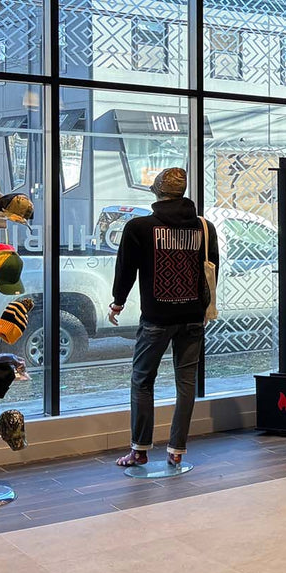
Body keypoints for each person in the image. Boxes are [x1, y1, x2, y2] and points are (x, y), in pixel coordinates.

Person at [110, 168, 219, 468]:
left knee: (142, 380)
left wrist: (118, 302)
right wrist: (205, 306)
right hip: (193, 318)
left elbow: (126, 269)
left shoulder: (139, 227)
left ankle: (139, 450)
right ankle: (177, 450)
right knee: (186, 383)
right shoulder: (205, 227)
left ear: (157, 193)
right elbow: (212, 270)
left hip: (156, 319)